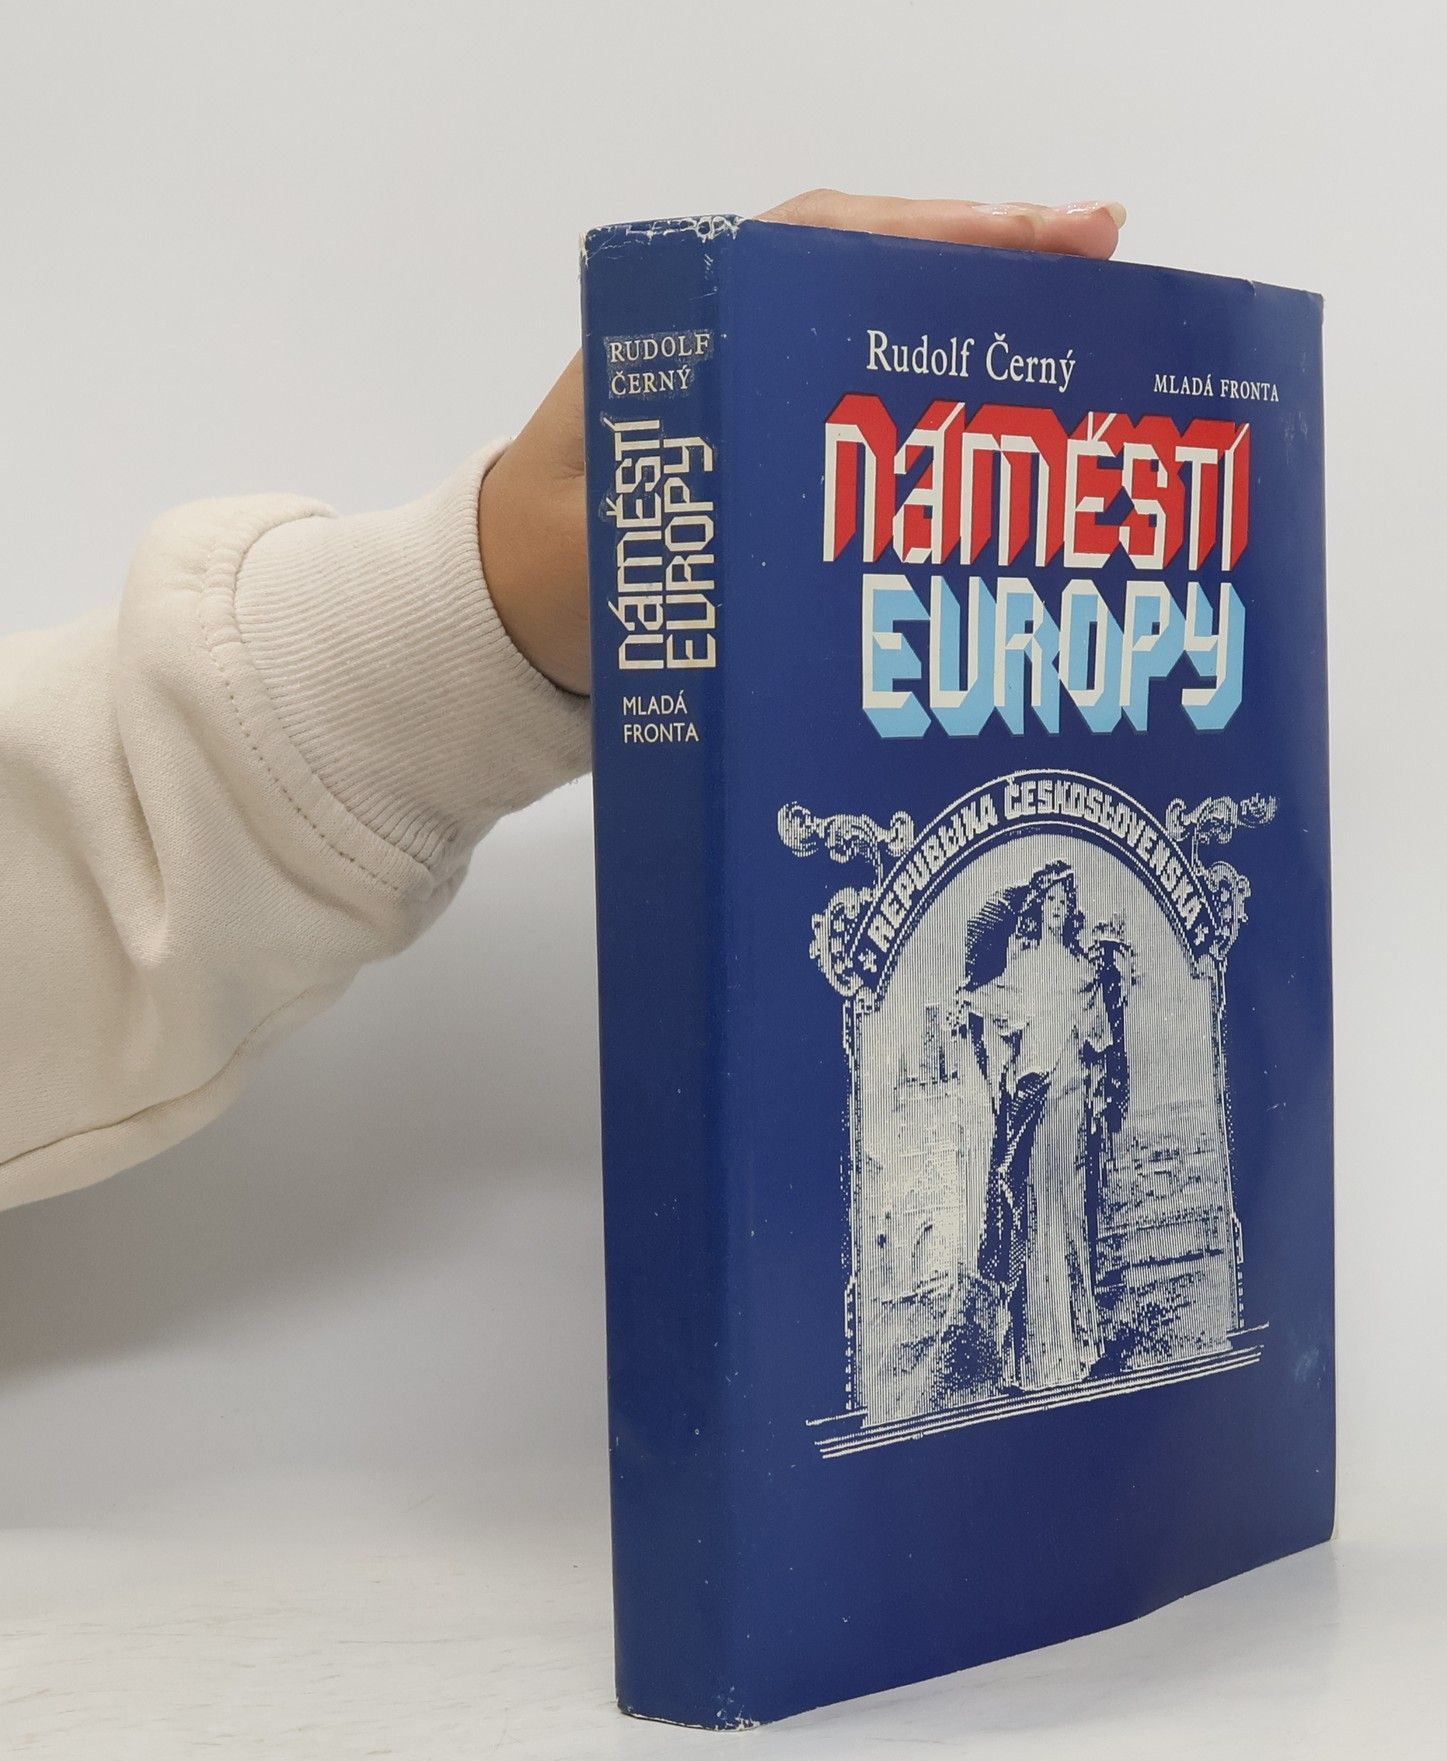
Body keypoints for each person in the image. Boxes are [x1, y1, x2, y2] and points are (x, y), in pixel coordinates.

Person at [0, 191, 1124, 1217]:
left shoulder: (1069, 977)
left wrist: (471, 606)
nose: (1051, 925)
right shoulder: (1021, 980)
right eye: (1047, 914)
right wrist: (464, 615)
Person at [956, 860, 1132, 1391]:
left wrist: (1109, 985)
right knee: (1035, 1224)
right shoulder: (1027, 965)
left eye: (1064, 901)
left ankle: (1082, 1344)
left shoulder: (1079, 970)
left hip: (1071, 1108)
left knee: (1072, 1221)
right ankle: (1034, 1360)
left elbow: (1099, 1038)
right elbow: (997, 1000)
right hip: (1039, 1107)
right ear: (1040, 908)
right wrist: (969, 999)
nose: (1058, 909)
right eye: (1051, 900)